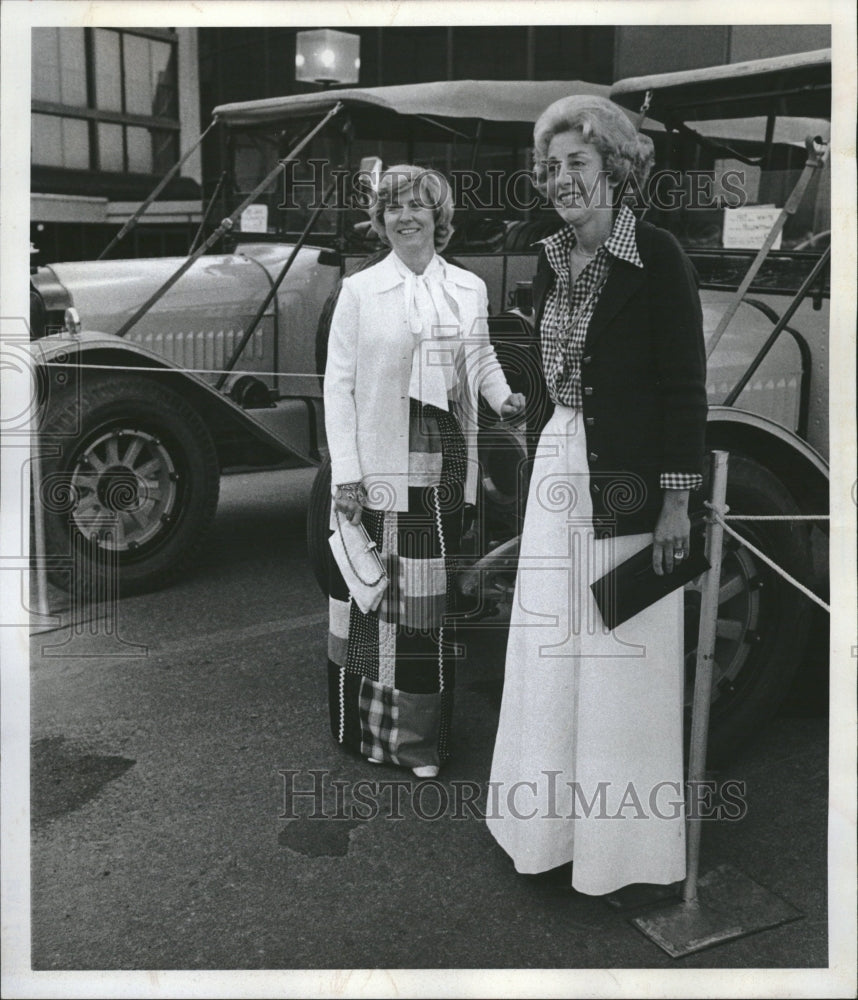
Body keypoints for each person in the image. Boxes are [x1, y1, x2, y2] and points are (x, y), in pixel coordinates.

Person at [486, 96, 708, 895]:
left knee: (616, 658)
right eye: (552, 167)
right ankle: (543, 833)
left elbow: (686, 390)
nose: (562, 179)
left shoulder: (658, 256)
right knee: (550, 653)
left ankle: (619, 855)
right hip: (558, 464)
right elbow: (552, 376)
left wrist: (678, 502)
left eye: (578, 163)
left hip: (628, 480)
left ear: (614, 168)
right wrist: (532, 422)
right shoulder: (552, 259)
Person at [324, 164, 526, 779]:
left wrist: (505, 399)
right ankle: (361, 731)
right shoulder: (359, 292)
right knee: (366, 600)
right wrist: (347, 474)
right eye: (392, 208)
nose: (405, 216)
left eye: (417, 206)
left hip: (441, 468)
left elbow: (481, 357)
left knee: (421, 614)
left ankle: (414, 743)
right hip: (378, 466)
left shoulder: (467, 288)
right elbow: (339, 386)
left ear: (439, 216)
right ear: (380, 220)